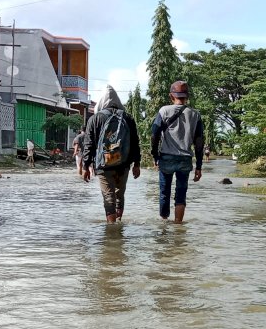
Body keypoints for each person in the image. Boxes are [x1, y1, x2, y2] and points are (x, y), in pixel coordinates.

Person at [82, 85, 141, 223]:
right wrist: (137, 164)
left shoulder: (95, 119)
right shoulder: (128, 118)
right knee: (119, 195)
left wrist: (85, 166)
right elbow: (135, 143)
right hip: (124, 163)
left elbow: (89, 145)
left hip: (104, 165)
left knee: (109, 197)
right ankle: (118, 223)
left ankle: (112, 229)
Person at [151, 80, 205, 223]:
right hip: (185, 159)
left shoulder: (164, 111)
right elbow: (199, 143)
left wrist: (155, 156)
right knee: (181, 194)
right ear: (187, 96)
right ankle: (178, 226)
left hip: (166, 157)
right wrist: (199, 166)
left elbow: (154, 135)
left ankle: (163, 223)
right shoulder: (195, 114)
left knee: (164, 192)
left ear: (171, 96)